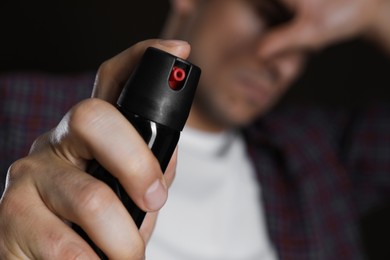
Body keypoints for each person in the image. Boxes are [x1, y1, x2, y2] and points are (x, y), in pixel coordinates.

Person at [0, 0, 389, 259]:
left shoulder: (319, 158)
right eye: (270, 13)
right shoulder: (14, 111)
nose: (283, 63)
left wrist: (373, 11)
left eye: (309, 47)